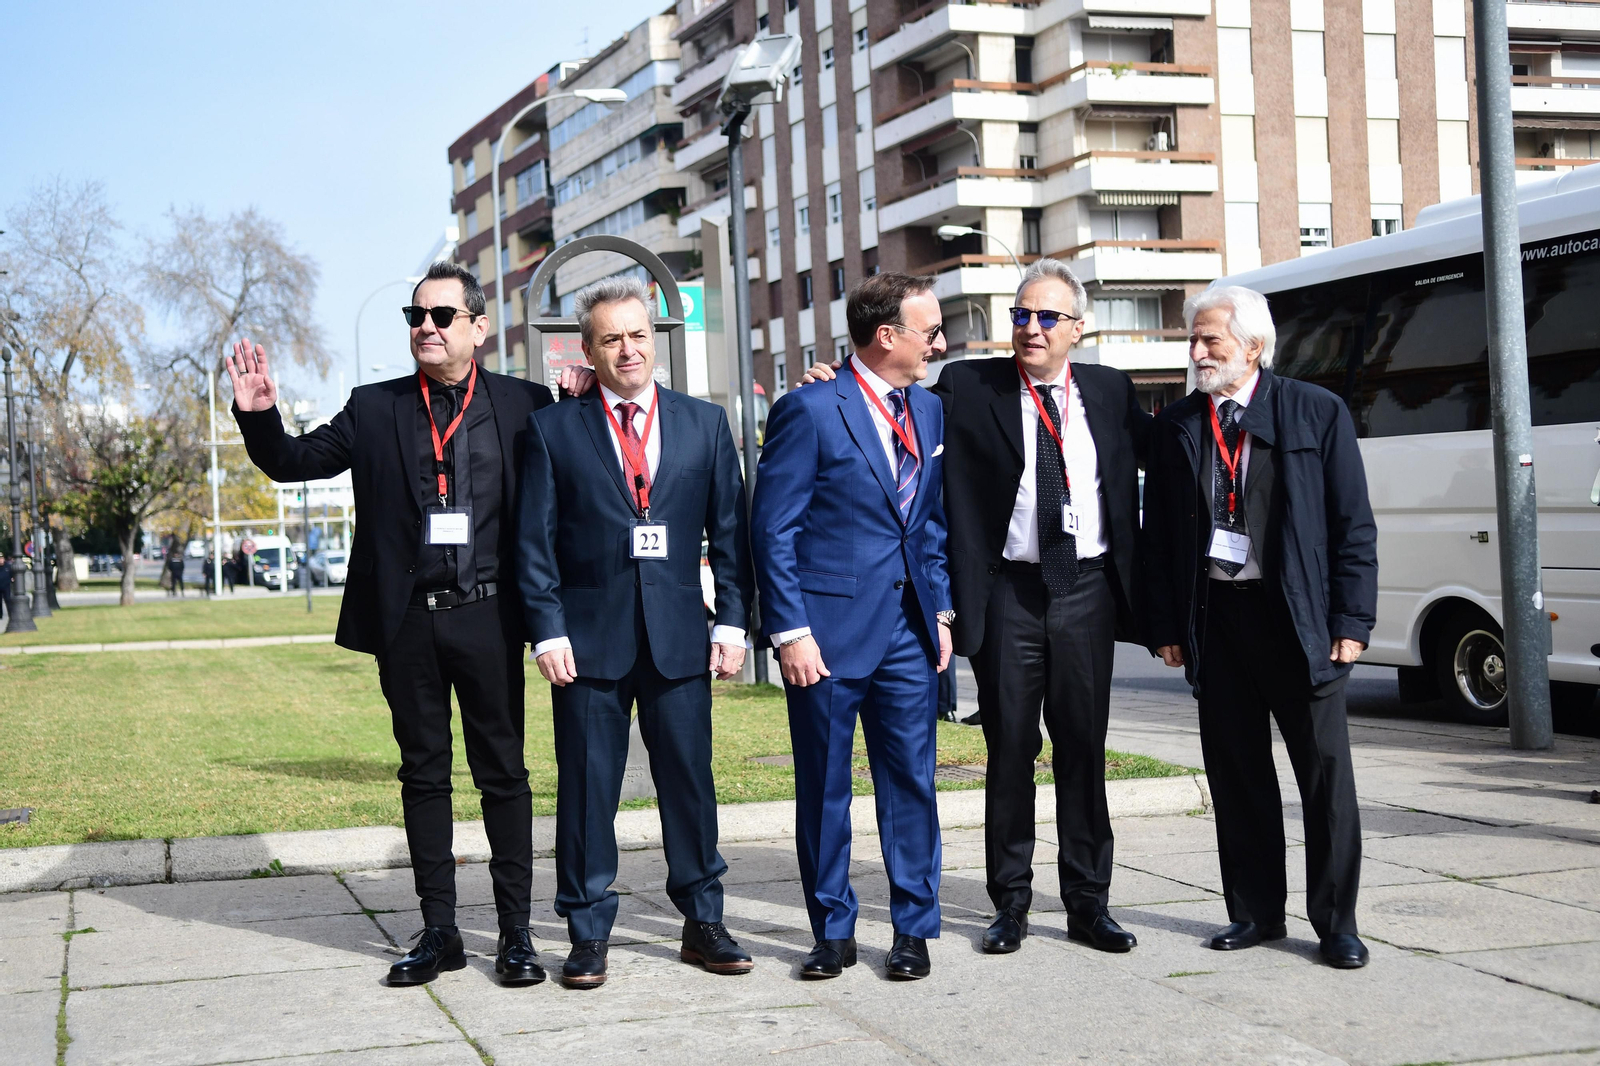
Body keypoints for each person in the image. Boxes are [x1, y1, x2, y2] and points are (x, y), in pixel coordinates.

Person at [799, 259, 1151, 957]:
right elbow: (877, 389)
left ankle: (1088, 903)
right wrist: (825, 378)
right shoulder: (967, 385)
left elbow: (1168, 455)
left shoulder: (1110, 392)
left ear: (1078, 328)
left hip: (1085, 593)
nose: (1029, 327)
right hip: (1010, 594)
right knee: (1010, 750)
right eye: (1020, 314)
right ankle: (1010, 905)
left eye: (1046, 316)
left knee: (1083, 751)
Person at [229, 260, 555, 987]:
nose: (426, 328)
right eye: (416, 318)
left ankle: (515, 934)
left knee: (504, 776)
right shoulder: (373, 408)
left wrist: (585, 393)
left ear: (478, 326)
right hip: (407, 622)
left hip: (490, 616)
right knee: (424, 774)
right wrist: (258, 415)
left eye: (441, 316)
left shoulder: (528, 403)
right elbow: (293, 460)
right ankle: (440, 931)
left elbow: (595, 456)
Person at [516, 275, 756, 990]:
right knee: (588, 788)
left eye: (638, 334)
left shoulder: (703, 424)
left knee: (690, 783)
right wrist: (547, 631)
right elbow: (536, 542)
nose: (628, 349)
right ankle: (587, 930)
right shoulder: (553, 429)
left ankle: (703, 921)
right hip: (587, 644)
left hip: (682, 633)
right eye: (611, 338)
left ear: (657, 340)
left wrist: (736, 622)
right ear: (587, 350)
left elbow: (732, 534)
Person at [1140, 285, 1377, 969]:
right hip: (1218, 621)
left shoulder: (1315, 412)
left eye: (1211, 339)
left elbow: (1352, 527)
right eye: (1193, 339)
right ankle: (1255, 913)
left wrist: (1352, 620)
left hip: (1300, 623)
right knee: (1238, 777)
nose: (1197, 352)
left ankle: (1337, 924)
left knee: (1325, 779)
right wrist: (1165, 624)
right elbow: (1159, 537)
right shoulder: (1178, 424)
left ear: (1253, 346)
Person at [751, 271, 953, 981]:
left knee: (912, 784)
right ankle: (832, 930)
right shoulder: (808, 409)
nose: (941, 342)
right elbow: (772, 531)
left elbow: (927, 524)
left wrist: (943, 608)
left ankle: (912, 930)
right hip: (828, 636)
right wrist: (790, 631)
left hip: (909, 632)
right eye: (930, 330)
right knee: (825, 787)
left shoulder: (928, 412)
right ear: (886, 335)